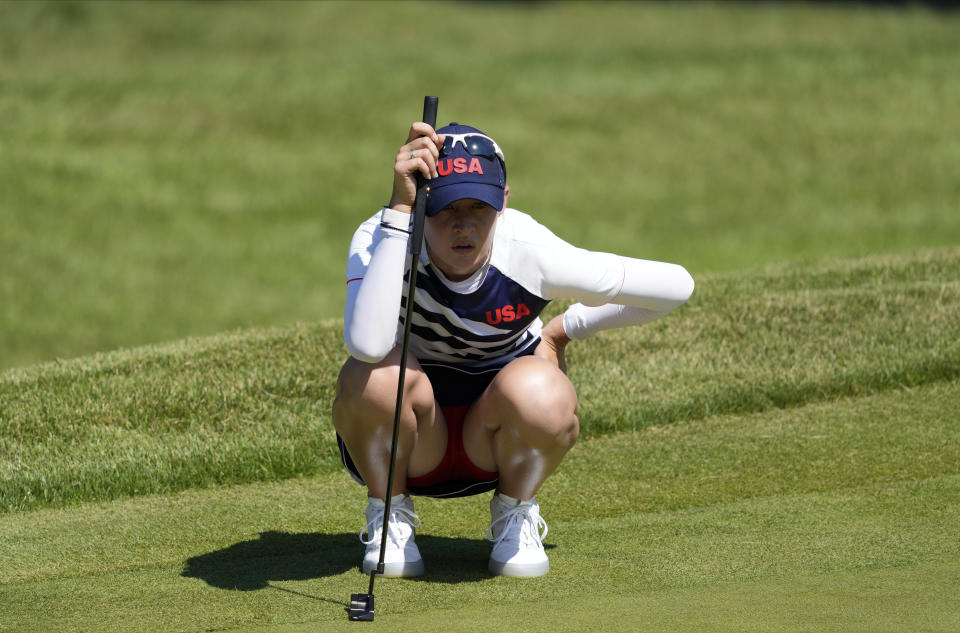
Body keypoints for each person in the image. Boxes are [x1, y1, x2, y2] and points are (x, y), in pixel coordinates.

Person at [333, 120, 694, 578]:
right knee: (371, 376)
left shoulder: (529, 249)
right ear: (422, 202)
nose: (464, 226)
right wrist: (402, 212)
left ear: (503, 202)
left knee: (543, 389)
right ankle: (389, 515)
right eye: (445, 208)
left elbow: (676, 287)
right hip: (410, 439)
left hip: (498, 442)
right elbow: (366, 344)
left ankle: (515, 511)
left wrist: (561, 331)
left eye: (478, 207)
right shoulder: (383, 234)